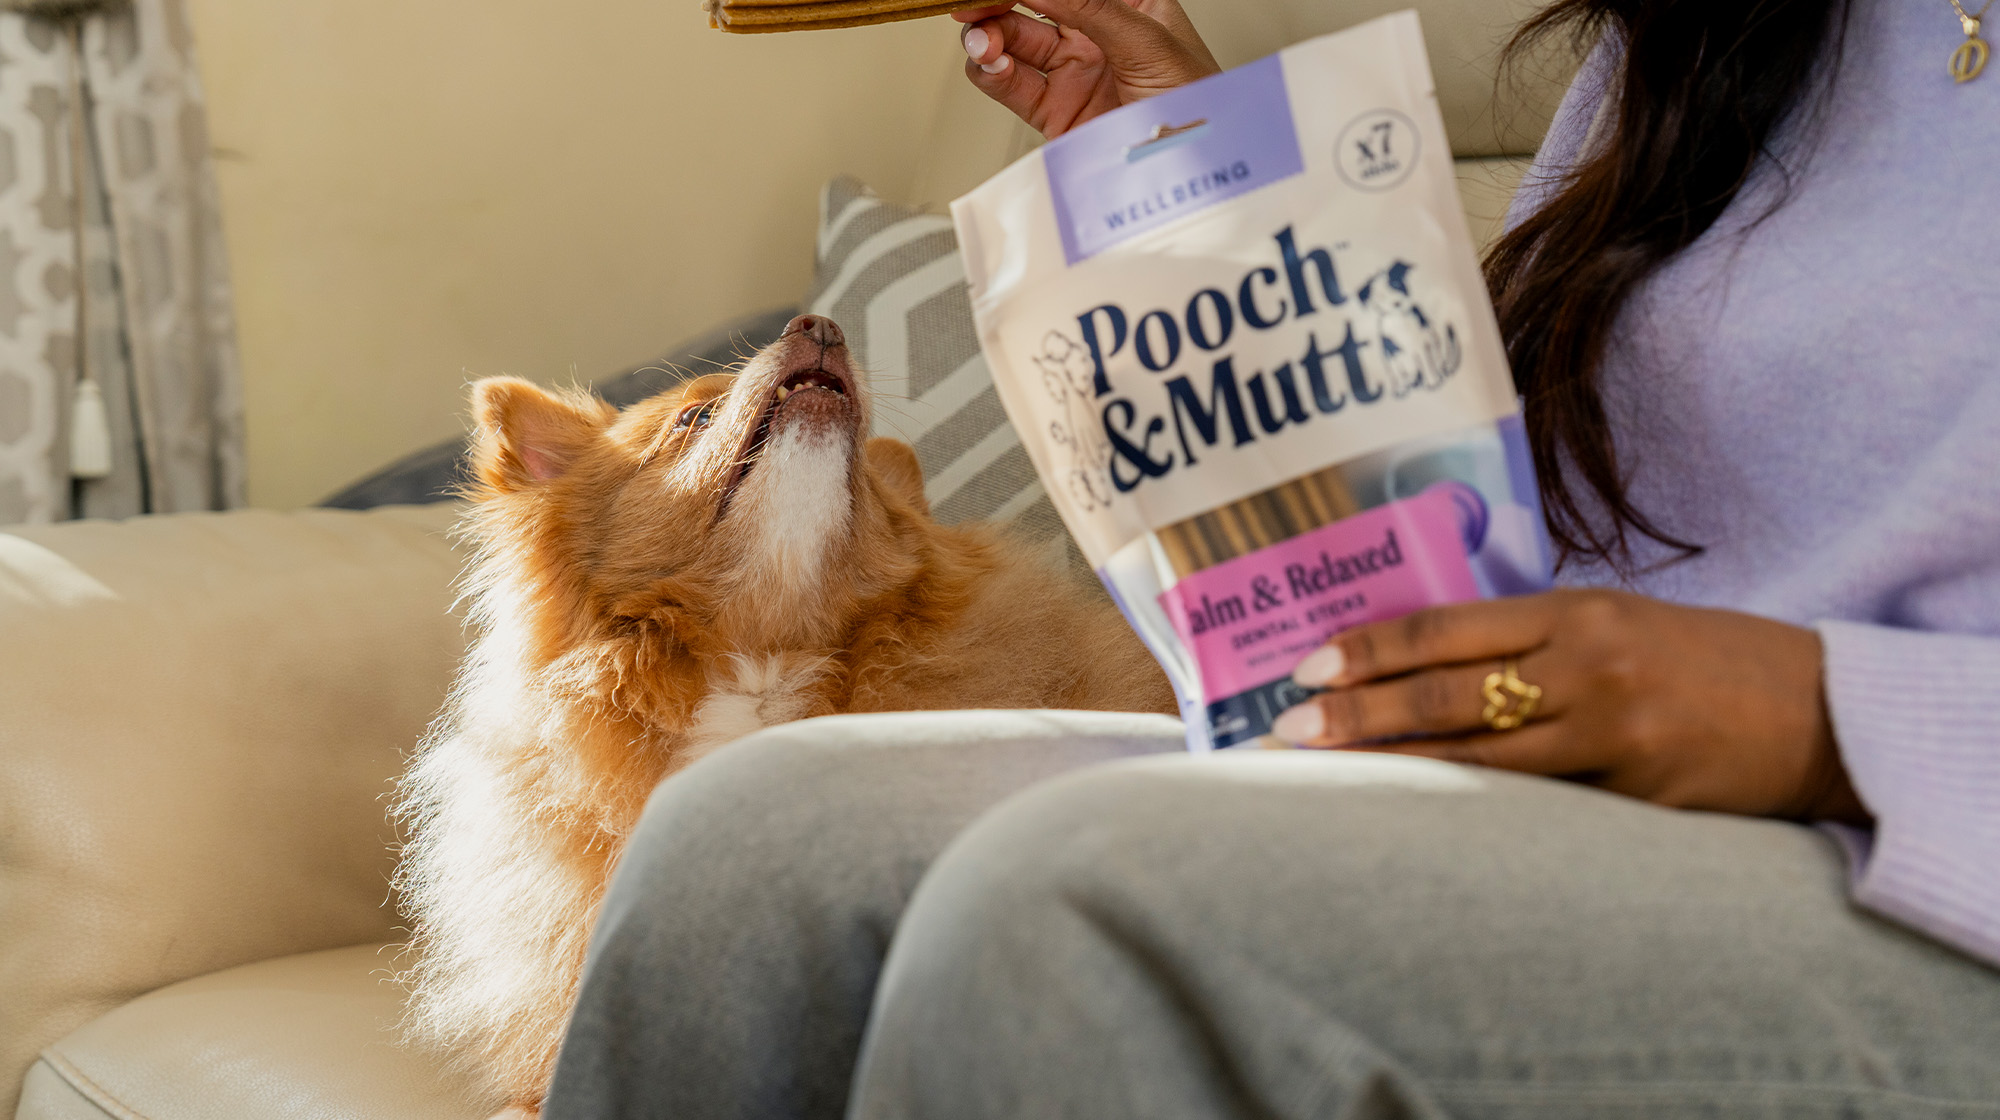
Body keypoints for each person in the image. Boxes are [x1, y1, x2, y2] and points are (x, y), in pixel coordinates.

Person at [542, 0, 2000, 1115]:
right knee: (754, 841)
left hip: (1931, 887)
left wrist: (1828, 720)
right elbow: (1457, 533)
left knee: (1073, 909)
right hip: (1558, 797)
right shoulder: (1723, 41)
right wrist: (1184, 174)